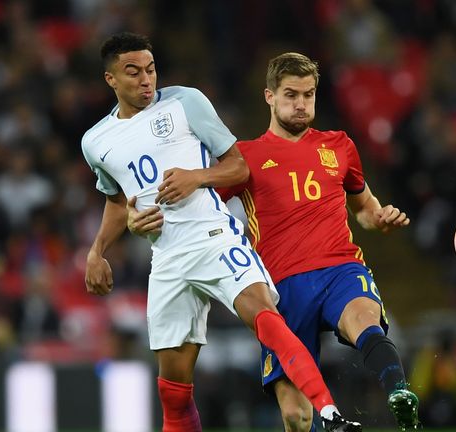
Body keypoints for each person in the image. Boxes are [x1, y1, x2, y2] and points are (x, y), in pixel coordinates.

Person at [81, 33, 361, 431]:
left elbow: (238, 168)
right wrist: (98, 250)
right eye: (133, 73)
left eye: (151, 69)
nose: (147, 80)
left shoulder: (185, 102)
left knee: (264, 314)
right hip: (167, 258)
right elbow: (116, 201)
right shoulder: (95, 141)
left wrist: (196, 177)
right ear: (111, 79)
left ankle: (330, 414)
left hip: (213, 236)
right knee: (174, 395)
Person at [129, 52, 421, 431]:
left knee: (366, 323)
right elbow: (197, 210)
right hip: (282, 288)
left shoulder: (339, 145)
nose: (301, 104)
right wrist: (142, 222)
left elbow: (365, 208)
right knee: (297, 418)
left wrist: (380, 218)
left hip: (339, 268)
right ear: (269, 97)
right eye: (291, 95)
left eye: (309, 95)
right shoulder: (244, 159)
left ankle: (399, 392)